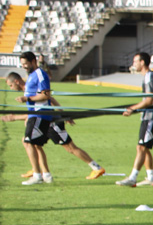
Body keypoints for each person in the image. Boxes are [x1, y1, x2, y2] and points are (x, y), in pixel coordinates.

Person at [4, 71, 105, 180]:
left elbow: (47, 101)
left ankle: (96, 167)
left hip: (52, 123)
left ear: (16, 81)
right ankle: (39, 170)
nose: (11, 88)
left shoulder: (30, 89)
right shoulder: (28, 89)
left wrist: (63, 115)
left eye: (11, 85)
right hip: (44, 122)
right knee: (32, 143)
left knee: (70, 148)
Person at [117, 52, 153, 187]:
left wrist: (133, 108)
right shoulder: (148, 77)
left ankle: (133, 177)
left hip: (151, 117)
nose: (133, 64)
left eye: (135, 61)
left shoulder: (150, 77)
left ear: (142, 62)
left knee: (141, 147)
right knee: (143, 148)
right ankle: (151, 177)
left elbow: (150, 100)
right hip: (148, 116)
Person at [15, 51, 54, 185]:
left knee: (28, 142)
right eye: (22, 64)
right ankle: (46, 175)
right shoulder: (32, 75)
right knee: (35, 145)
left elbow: (46, 95)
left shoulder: (40, 74)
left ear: (33, 61)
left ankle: (37, 175)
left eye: (26, 63)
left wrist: (27, 98)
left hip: (39, 114)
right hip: (34, 114)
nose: (24, 66)